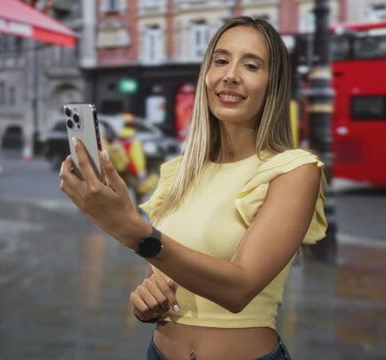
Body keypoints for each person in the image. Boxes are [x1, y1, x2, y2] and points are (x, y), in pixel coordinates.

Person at [59, 16, 326, 360]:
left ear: (272, 84)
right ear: (206, 75)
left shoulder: (293, 170)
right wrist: (148, 303)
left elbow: (239, 288)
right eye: (221, 60)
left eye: (251, 64)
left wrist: (134, 232)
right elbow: (164, 276)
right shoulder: (178, 173)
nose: (230, 74)